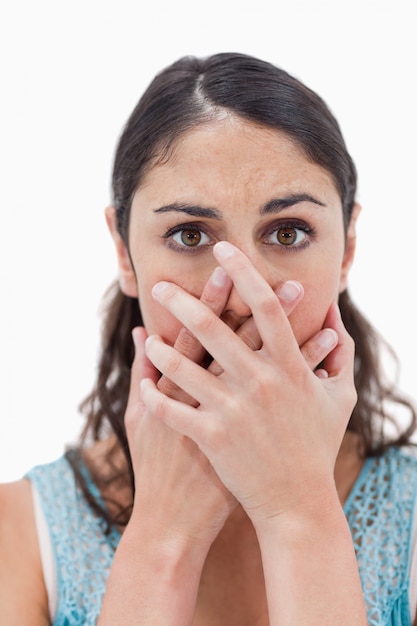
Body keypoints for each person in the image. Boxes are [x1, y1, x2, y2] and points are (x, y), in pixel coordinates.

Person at [0, 52, 416, 626]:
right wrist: (163, 537)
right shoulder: (17, 538)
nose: (244, 297)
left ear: (346, 249)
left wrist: (297, 512)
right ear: (125, 252)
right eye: (190, 234)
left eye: (289, 232)